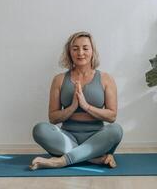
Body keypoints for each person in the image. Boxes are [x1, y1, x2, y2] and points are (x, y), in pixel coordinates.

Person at [29, 31, 123, 170]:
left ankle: (61, 161)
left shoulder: (106, 79)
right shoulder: (59, 79)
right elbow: (53, 118)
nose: (80, 53)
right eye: (75, 48)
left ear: (92, 51)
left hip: (97, 139)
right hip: (67, 138)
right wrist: (73, 107)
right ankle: (93, 158)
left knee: (116, 130)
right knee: (39, 129)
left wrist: (86, 106)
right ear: (69, 52)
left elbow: (112, 116)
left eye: (85, 48)